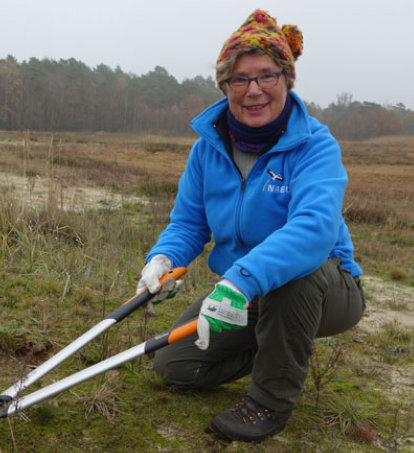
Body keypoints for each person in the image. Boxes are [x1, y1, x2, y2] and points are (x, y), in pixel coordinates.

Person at [136, 8, 366, 443]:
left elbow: (314, 230)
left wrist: (241, 280)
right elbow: (188, 223)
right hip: (245, 292)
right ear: (224, 87)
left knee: (299, 271)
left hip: (326, 289)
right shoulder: (207, 150)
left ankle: (270, 401)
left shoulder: (316, 146)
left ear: (287, 78)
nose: (253, 90)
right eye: (239, 80)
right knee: (175, 367)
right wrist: (163, 258)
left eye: (266, 76)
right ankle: (276, 347)